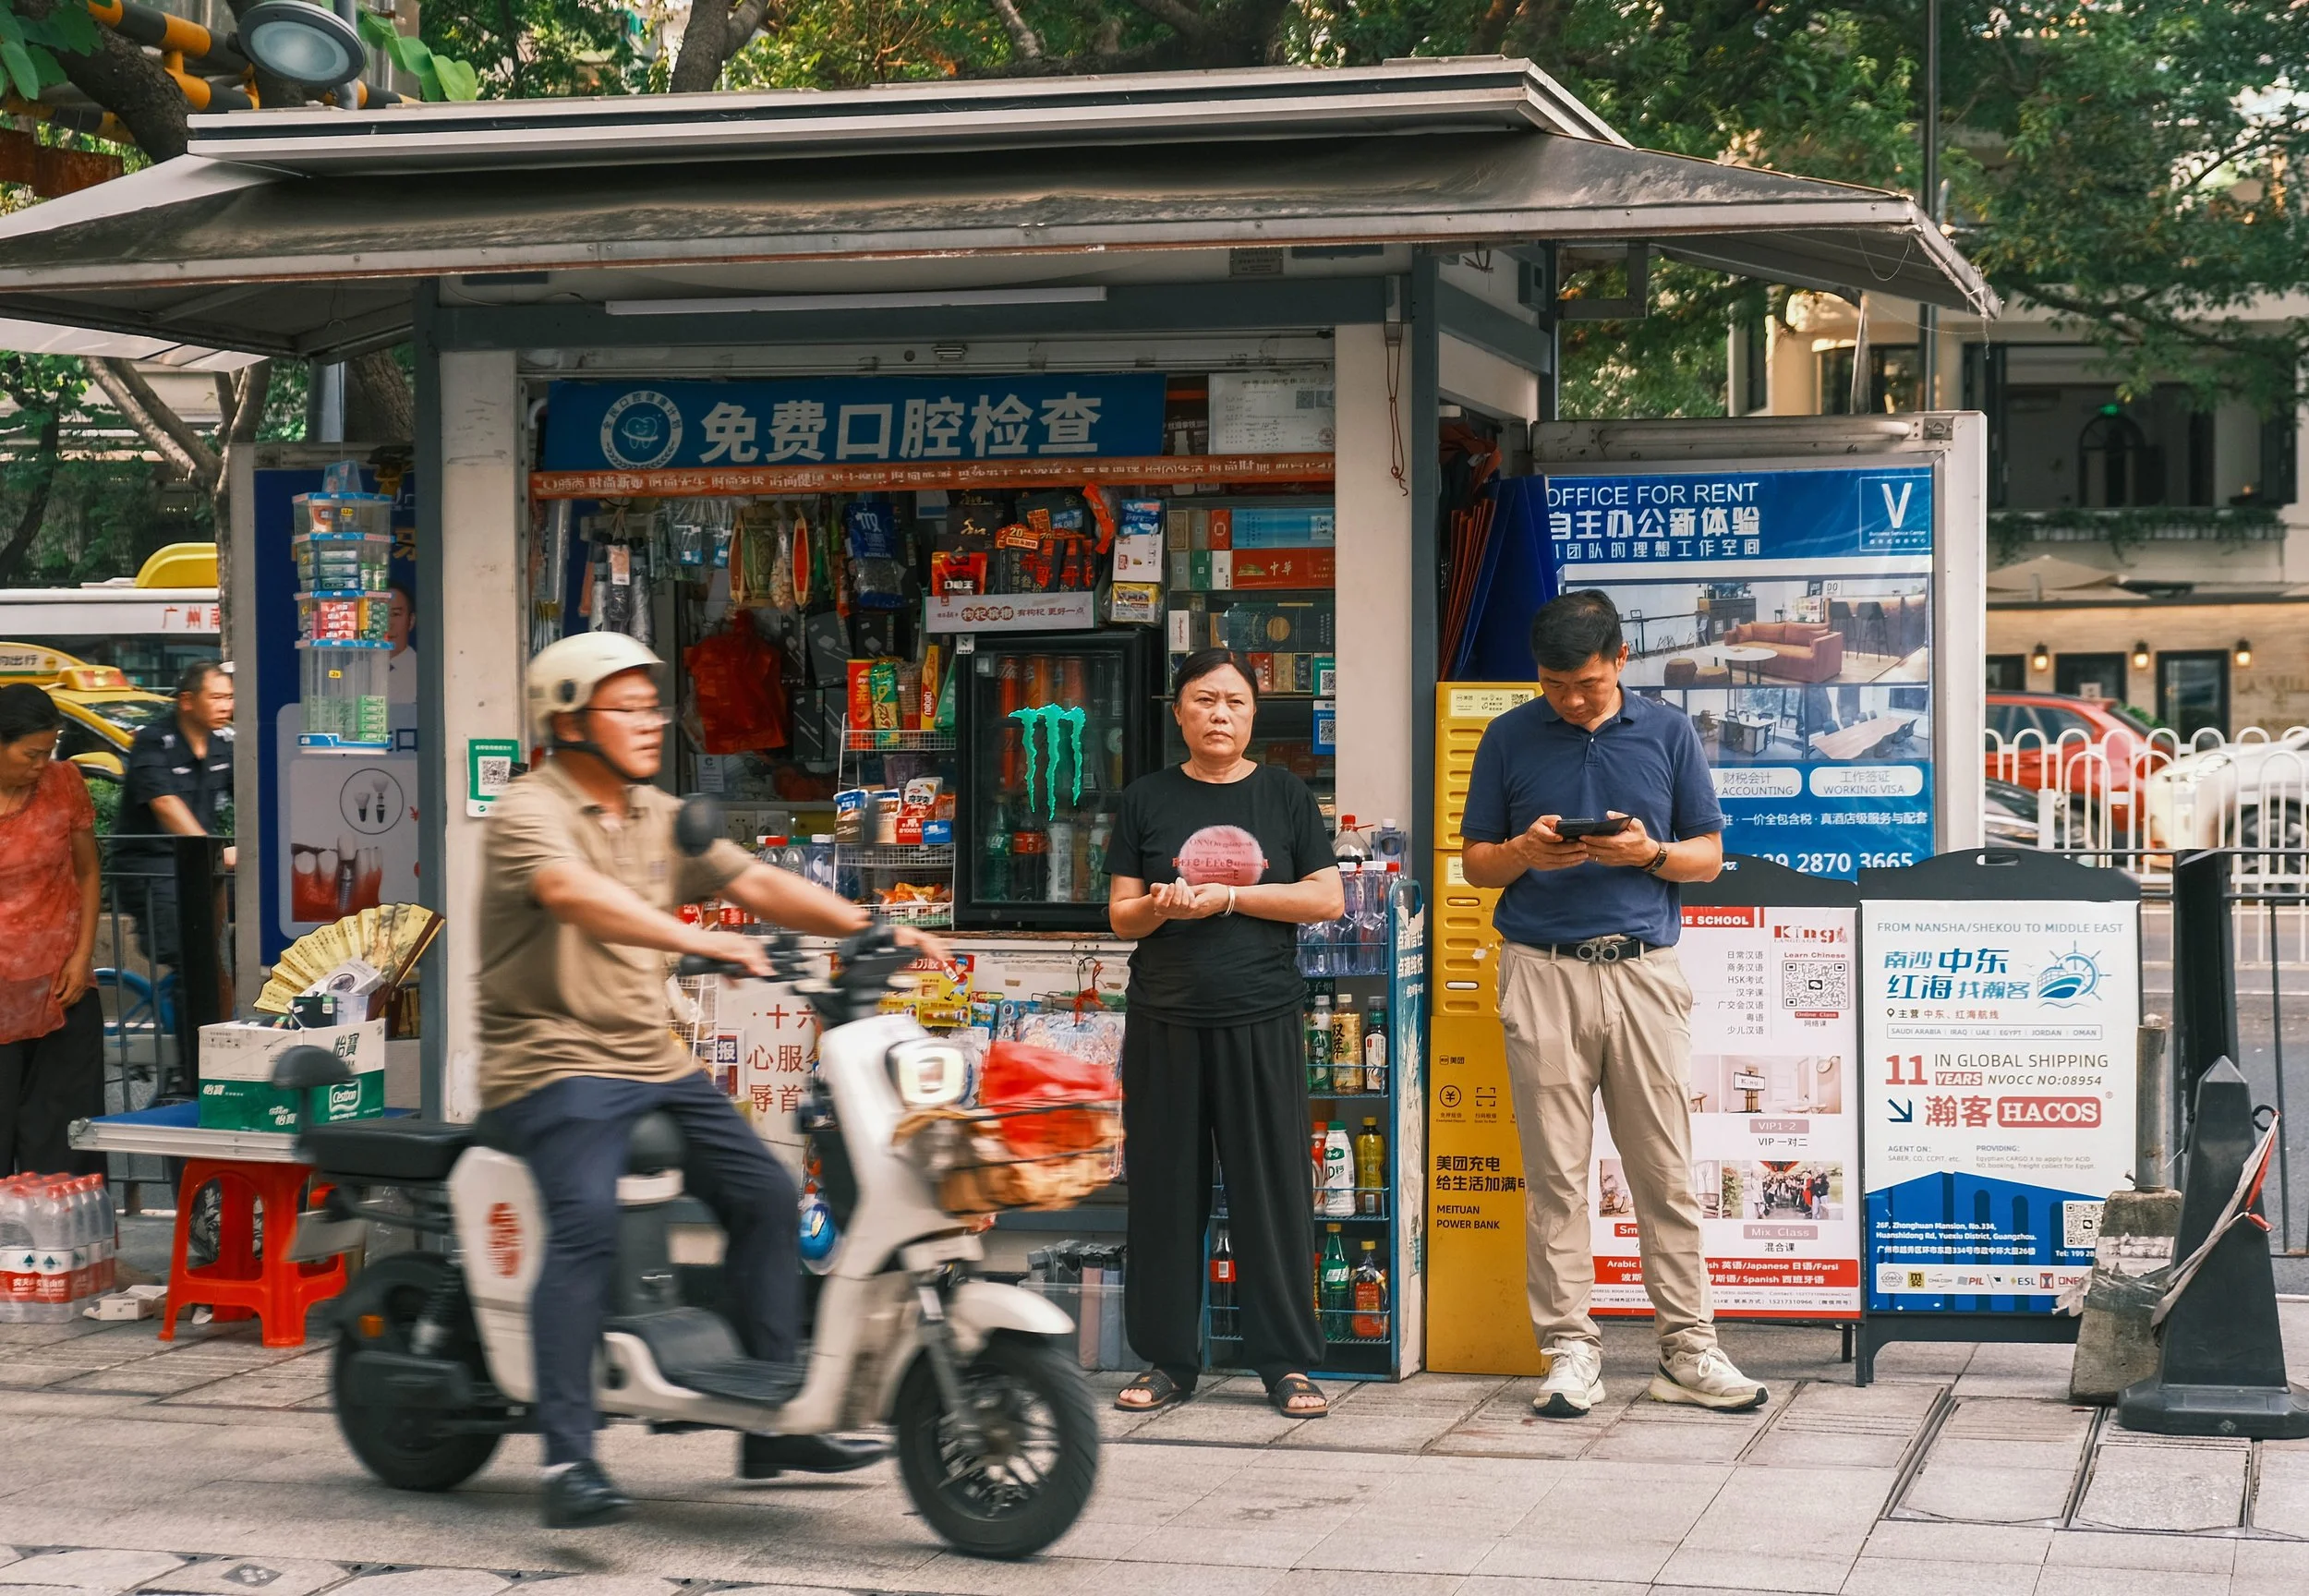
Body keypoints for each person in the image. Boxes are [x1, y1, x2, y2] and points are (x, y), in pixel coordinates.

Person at [479, 633, 948, 1529]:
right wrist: (700, 939)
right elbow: (573, 894)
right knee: (581, 1224)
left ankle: (773, 1430)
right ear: (569, 720)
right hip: (554, 1059)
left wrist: (869, 926)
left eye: (654, 705)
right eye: (629, 707)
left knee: (767, 1196)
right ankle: (568, 1461)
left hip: (653, 1056)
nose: (653, 721)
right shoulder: (529, 812)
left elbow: (757, 881)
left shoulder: (654, 811)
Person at [1460, 591, 1768, 1419]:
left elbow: (1706, 857)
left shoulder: (1668, 731)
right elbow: (1476, 866)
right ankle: (1568, 1351)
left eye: (1586, 683)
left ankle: (1688, 1349)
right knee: (1556, 1177)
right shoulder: (1507, 735)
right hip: (1541, 970)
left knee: (1663, 1171)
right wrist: (1525, 852)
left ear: (1621, 660)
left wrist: (1649, 851)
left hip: (1643, 972)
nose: (1570, 699)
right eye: (1555, 684)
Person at [1107, 648, 1344, 1421]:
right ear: (1178, 713)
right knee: (1165, 1192)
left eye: (1236, 703)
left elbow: (1326, 900)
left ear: (1252, 716)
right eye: (1204, 700)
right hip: (1165, 1018)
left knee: (1271, 1191)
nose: (1220, 714)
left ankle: (1285, 1363)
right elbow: (1122, 915)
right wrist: (1166, 908)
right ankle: (1169, 1360)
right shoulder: (1146, 798)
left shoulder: (1284, 796)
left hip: (1261, 1015)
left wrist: (1230, 900)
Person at [0, 685, 101, 1175]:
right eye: (31, 754)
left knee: (63, 1135)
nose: (42, 763)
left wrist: (81, 958)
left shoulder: (64, 782)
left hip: (63, 983)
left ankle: (69, 1250)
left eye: (49, 750)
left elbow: (86, 871)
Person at [115, 659, 235, 972]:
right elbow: (166, 803)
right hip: (151, 865)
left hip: (198, 862)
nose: (226, 706)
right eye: (216, 697)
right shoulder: (153, 741)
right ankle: (187, 1019)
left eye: (229, 697)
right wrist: (213, 854)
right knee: (189, 955)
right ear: (187, 701)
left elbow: (253, 796)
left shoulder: (223, 744)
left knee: (243, 929)